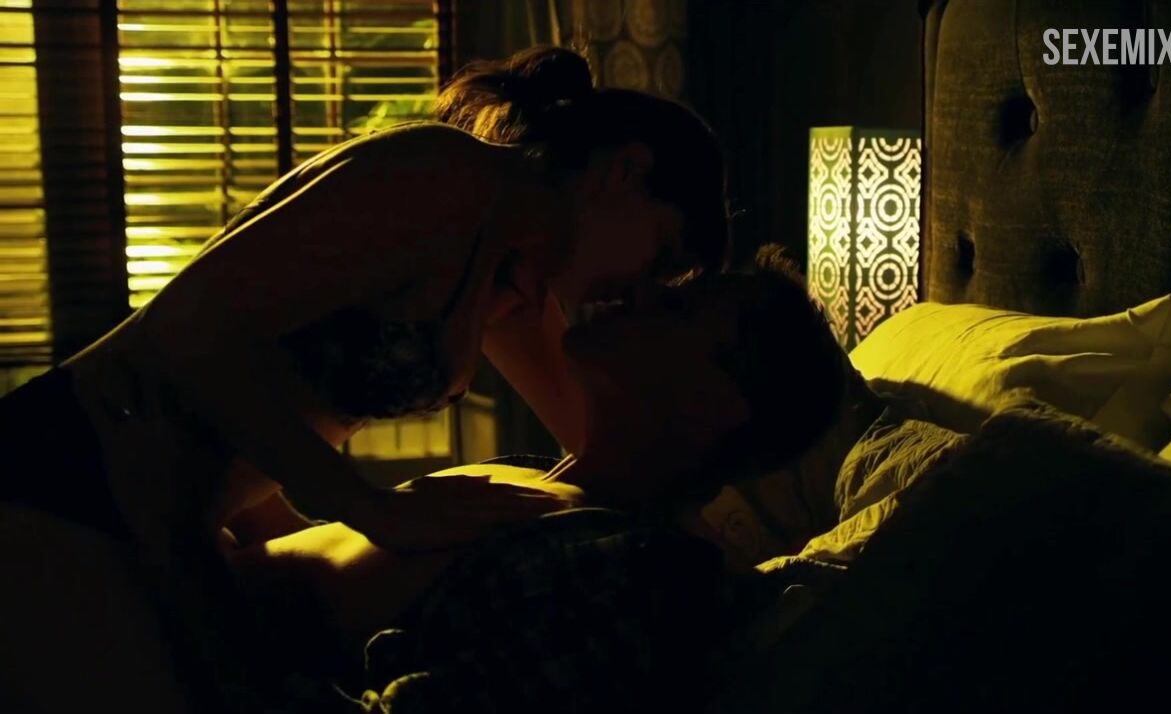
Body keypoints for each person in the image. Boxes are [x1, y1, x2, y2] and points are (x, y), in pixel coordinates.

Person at [0, 46, 731, 562]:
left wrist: (741, 567)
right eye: (661, 257)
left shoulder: (514, 280)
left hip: (168, 518)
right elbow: (190, 334)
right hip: (66, 475)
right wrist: (368, 509)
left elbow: (607, 456)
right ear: (625, 172)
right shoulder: (444, 178)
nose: (639, 292)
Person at [220, 247, 855, 710]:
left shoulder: (640, 574)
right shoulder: (530, 477)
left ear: (713, 401)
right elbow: (335, 572)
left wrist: (193, 605)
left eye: (676, 307)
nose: (638, 292)